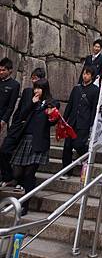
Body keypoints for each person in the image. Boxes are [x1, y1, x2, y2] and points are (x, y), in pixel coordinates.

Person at [11, 79, 59, 215]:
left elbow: (52, 121)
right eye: (35, 88)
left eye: (39, 88)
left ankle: (24, 204)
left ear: (45, 89)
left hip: (38, 141)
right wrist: (32, 104)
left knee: (29, 174)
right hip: (25, 138)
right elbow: (22, 115)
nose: (36, 91)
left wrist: (52, 116)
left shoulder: (51, 103)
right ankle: (27, 191)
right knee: (17, 173)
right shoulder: (32, 101)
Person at [0, 66, 46, 189]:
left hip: (32, 133)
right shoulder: (27, 92)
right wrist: (15, 122)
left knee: (27, 167)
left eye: (36, 79)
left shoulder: (46, 99)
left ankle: (20, 182)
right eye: (32, 78)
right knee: (4, 150)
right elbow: (20, 110)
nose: (34, 81)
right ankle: (7, 176)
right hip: (19, 127)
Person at [61, 65, 99, 177]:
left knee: (78, 144)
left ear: (92, 76)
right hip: (72, 122)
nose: (85, 76)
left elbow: (94, 108)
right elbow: (70, 105)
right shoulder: (76, 88)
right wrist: (64, 119)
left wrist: (92, 123)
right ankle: (66, 171)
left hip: (84, 122)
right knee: (67, 147)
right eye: (84, 73)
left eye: (88, 74)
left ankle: (86, 156)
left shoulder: (95, 90)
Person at [0, 59, 20, 186]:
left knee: (3, 150)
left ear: (10, 70)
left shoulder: (14, 85)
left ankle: (8, 176)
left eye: (3, 70)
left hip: (2, 120)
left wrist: (3, 120)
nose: (1, 72)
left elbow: (11, 106)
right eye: (0, 69)